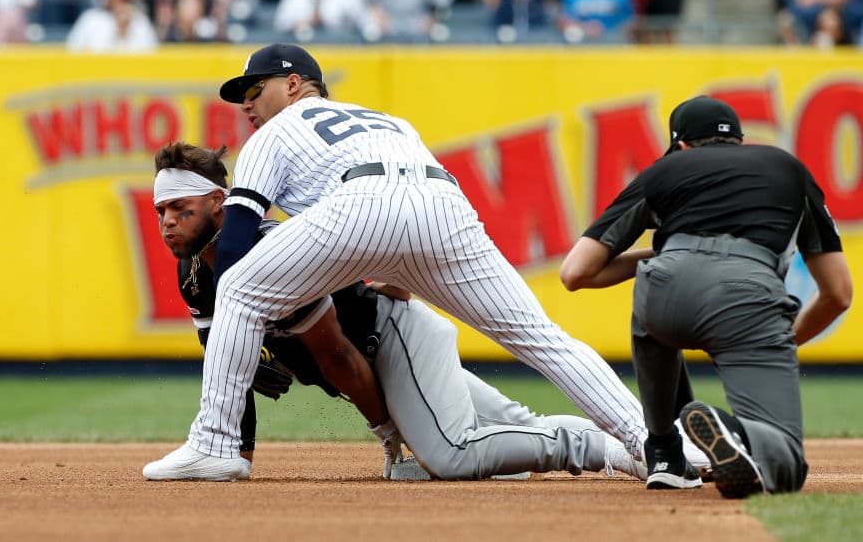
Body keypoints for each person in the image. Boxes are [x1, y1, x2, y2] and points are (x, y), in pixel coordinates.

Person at [142, 42, 706, 480]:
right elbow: (395, 213)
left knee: (238, 286)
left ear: (293, 86)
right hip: (442, 206)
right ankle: (659, 446)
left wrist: (244, 317)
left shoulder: (276, 131)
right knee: (541, 337)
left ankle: (217, 446)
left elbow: (238, 239)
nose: (245, 103)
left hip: (359, 206)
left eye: (254, 89)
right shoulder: (387, 119)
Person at [142, 142, 646, 482]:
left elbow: (337, 356)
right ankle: (652, 438)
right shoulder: (193, 275)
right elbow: (223, 367)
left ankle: (608, 450)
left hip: (391, 341)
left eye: (179, 208)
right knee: (509, 422)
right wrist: (239, 454)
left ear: (217, 202)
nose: (168, 222)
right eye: (161, 212)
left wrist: (390, 435)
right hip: (382, 354)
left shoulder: (265, 249)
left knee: (449, 453)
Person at [559, 95, 852, 497]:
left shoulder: (664, 171)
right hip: (750, 298)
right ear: (739, 141)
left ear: (680, 146)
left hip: (667, 292)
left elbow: (576, 273)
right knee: (784, 467)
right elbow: (839, 294)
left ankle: (664, 451)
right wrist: (786, 340)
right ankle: (730, 430)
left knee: (649, 300)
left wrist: (664, 255)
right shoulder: (788, 169)